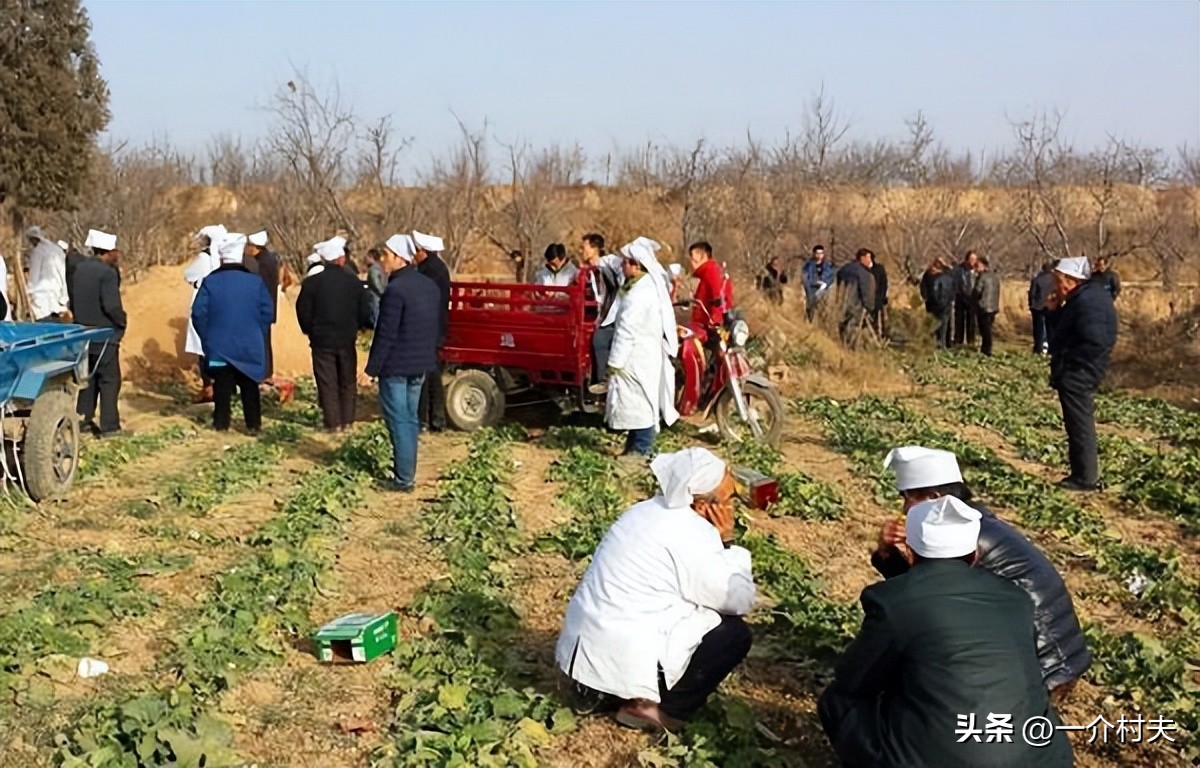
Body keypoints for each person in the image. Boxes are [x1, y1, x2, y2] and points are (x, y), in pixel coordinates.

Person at [819, 492, 1074, 768]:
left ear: (911, 551)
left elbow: (853, 680)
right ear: (975, 554)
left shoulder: (893, 603)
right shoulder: (1015, 598)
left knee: (837, 702)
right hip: (1044, 759)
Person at [556, 447, 756, 731]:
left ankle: (599, 690)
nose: (732, 507)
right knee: (732, 635)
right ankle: (652, 710)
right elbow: (737, 599)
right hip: (624, 655)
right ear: (704, 506)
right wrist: (727, 541)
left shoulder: (642, 511)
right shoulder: (693, 532)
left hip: (582, 653)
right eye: (728, 500)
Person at [874, 446, 1091, 702]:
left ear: (934, 497)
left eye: (908, 498)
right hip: (1058, 659)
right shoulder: (977, 522)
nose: (904, 507)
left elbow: (923, 600)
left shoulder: (961, 538)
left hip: (1040, 670)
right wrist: (887, 552)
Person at [364, 234, 440, 492]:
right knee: (409, 419)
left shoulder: (395, 290)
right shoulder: (428, 286)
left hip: (396, 366)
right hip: (420, 364)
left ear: (398, 257)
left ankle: (403, 478)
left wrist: (370, 370)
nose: (383, 260)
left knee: (399, 421)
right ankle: (407, 472)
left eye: (386, 255)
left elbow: (385, 334)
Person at [601, 241, 680, 457]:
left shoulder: (639, 295)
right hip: (642, 355)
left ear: (636, 265)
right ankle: (633, 446)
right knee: (638, 401)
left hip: (635, 357)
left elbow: (627, 331)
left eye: (625, 262)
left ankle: (642, 449)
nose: (622, 266)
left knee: (639, 403)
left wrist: (614, 363)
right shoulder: (641, 286)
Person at [191, 235, 274, 434]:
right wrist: (256, 333)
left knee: (221, 385)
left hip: (218, 347)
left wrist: (206, 336)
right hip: (249, 347)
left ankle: (221, 424)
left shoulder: (210, 282)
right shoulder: (255, 283)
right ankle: (253, 425)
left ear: (221, 259)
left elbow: (198, 313)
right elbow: (267, 313)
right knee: (250, 385)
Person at [1047, 256, 1117, 491]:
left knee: (1079, 422)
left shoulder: (1087, 301)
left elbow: (1096, 340)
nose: (1055, 286)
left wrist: (1073, 363)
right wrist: (1054, 311)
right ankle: (1082, 473)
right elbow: (1062, 332)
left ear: (1070, 280)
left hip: (1079, 370)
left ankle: (1085, 477)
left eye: (1058, 281)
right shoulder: (1086, 297)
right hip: (1079, 368)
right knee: (1076, 421)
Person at [296, 237, 374, 433]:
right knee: (347, 379)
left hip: (321, 339)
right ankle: (347, 420)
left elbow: (302, 310)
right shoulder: (353, 282)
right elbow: (365, 308)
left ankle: (333, 423)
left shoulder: (312, 283)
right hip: (347, 337)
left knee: (327, 380)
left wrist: (309, 330)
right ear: (341, 259)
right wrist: (360, 326)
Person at [72, 229, 127, 436]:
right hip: (105, 334)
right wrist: (122, 322)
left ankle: (83, 420)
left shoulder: (80, 269)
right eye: (115, 250)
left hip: (83, 333)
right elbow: (111, 306)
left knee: (89, 378)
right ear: (107, 251)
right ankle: (110, 426)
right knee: (110, 379)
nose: (117, 254)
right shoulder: (107, 273)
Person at [183, 224, 226, 403]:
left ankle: (208, 387)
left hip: (203, 303)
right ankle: (221, 385)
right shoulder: (225, 258)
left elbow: (188, 274)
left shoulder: (204, 258)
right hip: (222, 305)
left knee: (202, 348)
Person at [413, 230, 451, 433]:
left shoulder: (430, 270)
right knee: (432, 376)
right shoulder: (436, 267)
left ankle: (426, 419)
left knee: (427, 377)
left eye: (417, 250)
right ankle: (434, 420)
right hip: (434, 328)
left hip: (429, 329)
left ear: (424, 251)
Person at [243, 230, 280, 381]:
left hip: (261, 308)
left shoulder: (263, 263)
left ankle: (264, 373)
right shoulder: (270, 259)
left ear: (255, 247)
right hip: (267, 307)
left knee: (261, 342)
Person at [24, 226, 71, 321]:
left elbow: (34, 275)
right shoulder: (57, 250)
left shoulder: (38, 252)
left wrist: (29, 291)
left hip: (41, 295)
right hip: (57, 292)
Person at [835, 248, 877, 348]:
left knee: (842, 326)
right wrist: (870, 307)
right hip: (856, 305)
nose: (870, 261)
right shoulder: (865, 274)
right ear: (862, 258)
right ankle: (850, 350)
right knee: (853, 328)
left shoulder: (845, 268)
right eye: (868, 258)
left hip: (842, 304)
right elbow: (867, 292)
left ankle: (841, 345)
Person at [918, 258, 954, 348]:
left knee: (940, 325)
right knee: (940, 325)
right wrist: (926, 297)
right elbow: (924, 288)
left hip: (940, 302)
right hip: (935, 303)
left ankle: (940, 343)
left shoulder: (945, 275)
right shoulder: (930, 275)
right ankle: (939, 343)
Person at [972, 255, 1001, 356]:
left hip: (983, 307)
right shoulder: (995, 276)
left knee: (984, 330)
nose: (976, 268)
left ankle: (986, 349)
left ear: (983, 265)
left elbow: (977, 290)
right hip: (993, 306)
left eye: (977, 266)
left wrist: (973, 300)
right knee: (988, 328)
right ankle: (986, 348)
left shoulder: (982, 277)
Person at [950, 251, 979, 347]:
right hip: (960, 298)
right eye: (971, 259)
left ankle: (971, 342)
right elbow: (953, 283)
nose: (973, 262)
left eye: (975, 259)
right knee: (959, 321)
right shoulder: (958, 270)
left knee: (971, 321)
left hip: (973, 299)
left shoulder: (977, 271)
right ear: (966, 260)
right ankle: (958, 341)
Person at [1027, 261, 1056, 355]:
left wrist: (1031, 304)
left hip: (1038, 307)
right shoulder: (1055, 279)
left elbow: (1032, 293)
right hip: (1051, 306)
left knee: (1038, 329)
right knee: (1051, 328)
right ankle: (1051, 348)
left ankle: (1038, 348)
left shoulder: (1037, 279)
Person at [801, 244, 834, 322]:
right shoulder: (808, 265)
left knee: (823, 308)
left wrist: (825, 283)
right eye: (817, 253)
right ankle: (810, 321)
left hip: (823, 289)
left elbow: (831, 277)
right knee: (811, 307)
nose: (819, 255)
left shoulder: (827, 265)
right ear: (814, 253)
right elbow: (805, 277)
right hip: (811, 288)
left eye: (821, 253)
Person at [868, 252, 888, 339]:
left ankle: (882, 335)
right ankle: (872, 336)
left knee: (881, 318)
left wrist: (883, 296)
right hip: (867, 298)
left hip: (879, 297)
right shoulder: (862, 269)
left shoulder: (879, 269)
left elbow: (884, 284)